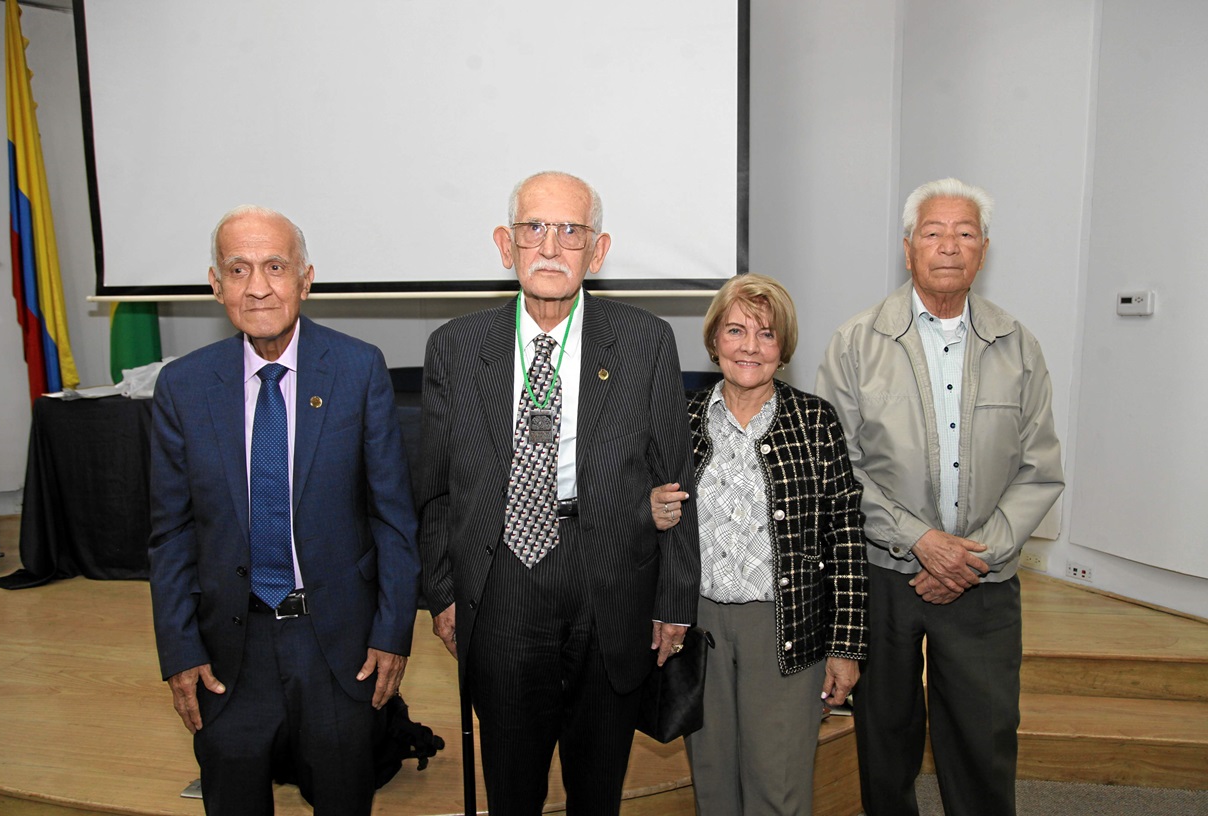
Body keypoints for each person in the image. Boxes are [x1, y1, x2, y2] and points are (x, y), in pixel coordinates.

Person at [414, 171, 700, 814]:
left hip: (612, 577)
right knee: (512, 783)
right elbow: (434, 489)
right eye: (534, 228)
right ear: (504, 244)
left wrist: (675, 599)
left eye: (570, 230)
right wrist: (441, 592)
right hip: (502, 576)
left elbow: (676, 483)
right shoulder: (456, 348)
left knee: (596, 788)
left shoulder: (644, 341)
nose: (551, 245)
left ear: (596, 252)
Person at [148, 206, 420, 814]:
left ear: (306, 277)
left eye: (275, 266)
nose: (258, 286)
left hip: (338, 650)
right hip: (226, 654)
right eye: (238, 269)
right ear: (215, 285)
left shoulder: (357, 369)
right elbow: (170, 535)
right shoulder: (183, 387)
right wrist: (180, 647)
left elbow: (393, 518)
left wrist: (391, 632)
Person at [814, 178, 1065, 816]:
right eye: (932, 232)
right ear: (908, 249)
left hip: (983, 581)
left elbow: (1039, 470)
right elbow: (838, 467)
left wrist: (969, 557)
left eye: (964, 233)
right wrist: (923, 542)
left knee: (984, 741)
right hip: (882, 578)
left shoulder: (1020, 347)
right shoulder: (855, 343)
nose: (948, 246)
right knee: (884, 743)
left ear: (983, 250)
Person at [650, 273, 868, 815]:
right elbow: (644, 517)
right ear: (713, 340)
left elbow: (845, 539)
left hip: (786, 625)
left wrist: (846, 646)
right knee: (714, 782)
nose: (750, 346)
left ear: (784, 348)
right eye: (736, 331)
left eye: (766, 334)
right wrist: (646, 508)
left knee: (778, 785)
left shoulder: (814, 422)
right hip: (697, 625)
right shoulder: (682, 418)